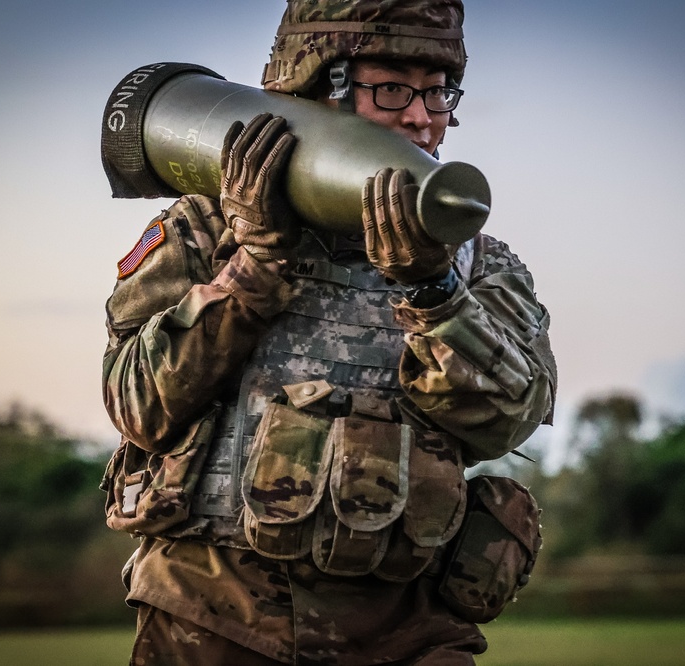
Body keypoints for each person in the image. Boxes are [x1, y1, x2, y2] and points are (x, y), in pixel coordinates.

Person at [100, 1, 556, 664]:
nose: (422, 116)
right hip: (206, 621)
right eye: (393, 87)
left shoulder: (477, 264)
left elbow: (508, 421)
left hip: (409, 635)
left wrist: (434, 293)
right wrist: (253, 267)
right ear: (317, 89)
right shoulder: (201, 232)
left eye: (437, 93)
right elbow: (136, 405)